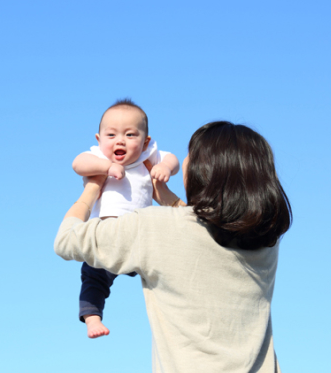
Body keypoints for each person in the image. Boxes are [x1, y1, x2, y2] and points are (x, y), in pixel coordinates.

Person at [55, 121, 291, 372]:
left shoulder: (153, 227)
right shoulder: (266, 241)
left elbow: (66, 239)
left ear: (203, 170)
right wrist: (170, 199)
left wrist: (91, 189)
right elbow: (206, 231)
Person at [71, 99, 182, 339]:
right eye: (111, 134)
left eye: (131, 135)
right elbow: (77, 164)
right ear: (99, 140)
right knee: (94, 276)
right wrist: (105, 166)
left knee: (166, 270)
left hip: (141, 236)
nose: (120, 140)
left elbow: (173, 159)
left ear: (146, 142)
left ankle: (178, 314)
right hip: (107, 235)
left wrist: (165, 166)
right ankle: (92, 318)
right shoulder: (97, 156)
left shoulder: (146, 159)